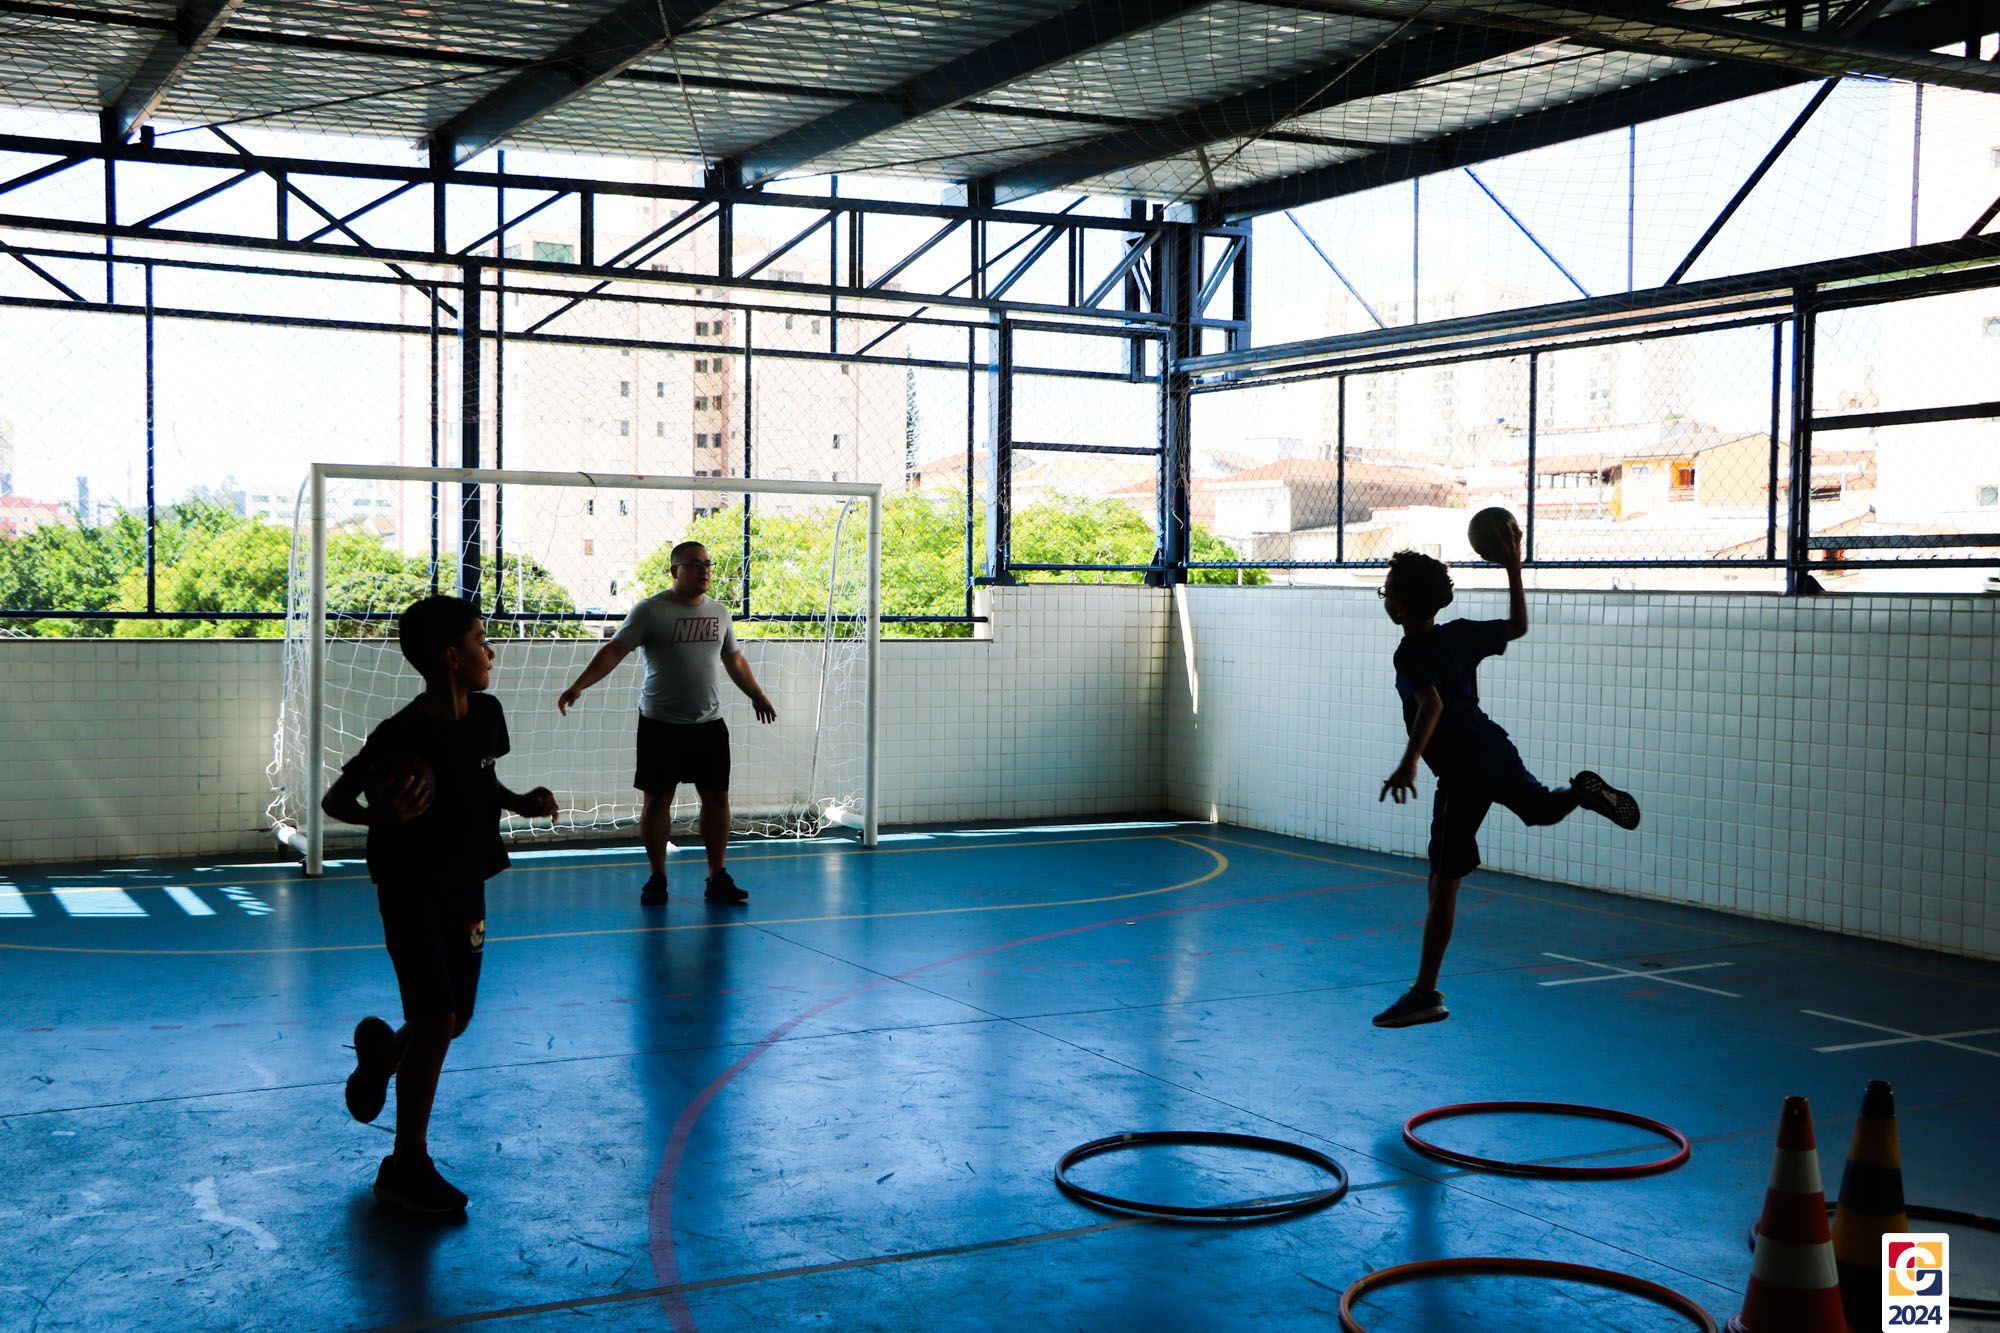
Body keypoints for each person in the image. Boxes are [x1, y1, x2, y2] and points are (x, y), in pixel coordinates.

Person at [321, 595, 559, 1213]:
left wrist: (520, 802)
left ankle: (381, 1058)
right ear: (452, 656)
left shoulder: (487, 714)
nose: (491, 650)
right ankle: (406, 1166)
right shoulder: (399, 734)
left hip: (466, 882)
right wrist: (379, 814)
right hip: (408, 885)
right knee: (434, 1019)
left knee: (453, 1020)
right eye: (482, 639)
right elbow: (335, 801)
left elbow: (480, 778)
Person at [1374, 531, 1639, 1028]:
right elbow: (1518, 625)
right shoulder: (1460, 635)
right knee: (1540, 810)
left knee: (1442, 883)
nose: (1385, 598)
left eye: (1386, 591)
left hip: (1462, 770)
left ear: (1402, 606)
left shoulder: (1408, 654)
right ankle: (1580, 793)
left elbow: (1431, 704)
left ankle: (1425, 993)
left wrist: (1409, 761)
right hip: (1493, 745)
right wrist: (1514, 567)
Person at [557, 540, 775, 905]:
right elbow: (614, 649)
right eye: (695, 563)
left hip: (709, 723)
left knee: (716, 798)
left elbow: (734, 659)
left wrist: (756, 693)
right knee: (658, 800)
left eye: (708, 564)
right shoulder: (650, 611)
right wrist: (580, 684)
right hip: (661, 725)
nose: (705, 569)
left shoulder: (719, 612)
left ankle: (717, 876)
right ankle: (657, 877)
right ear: (675, 570)